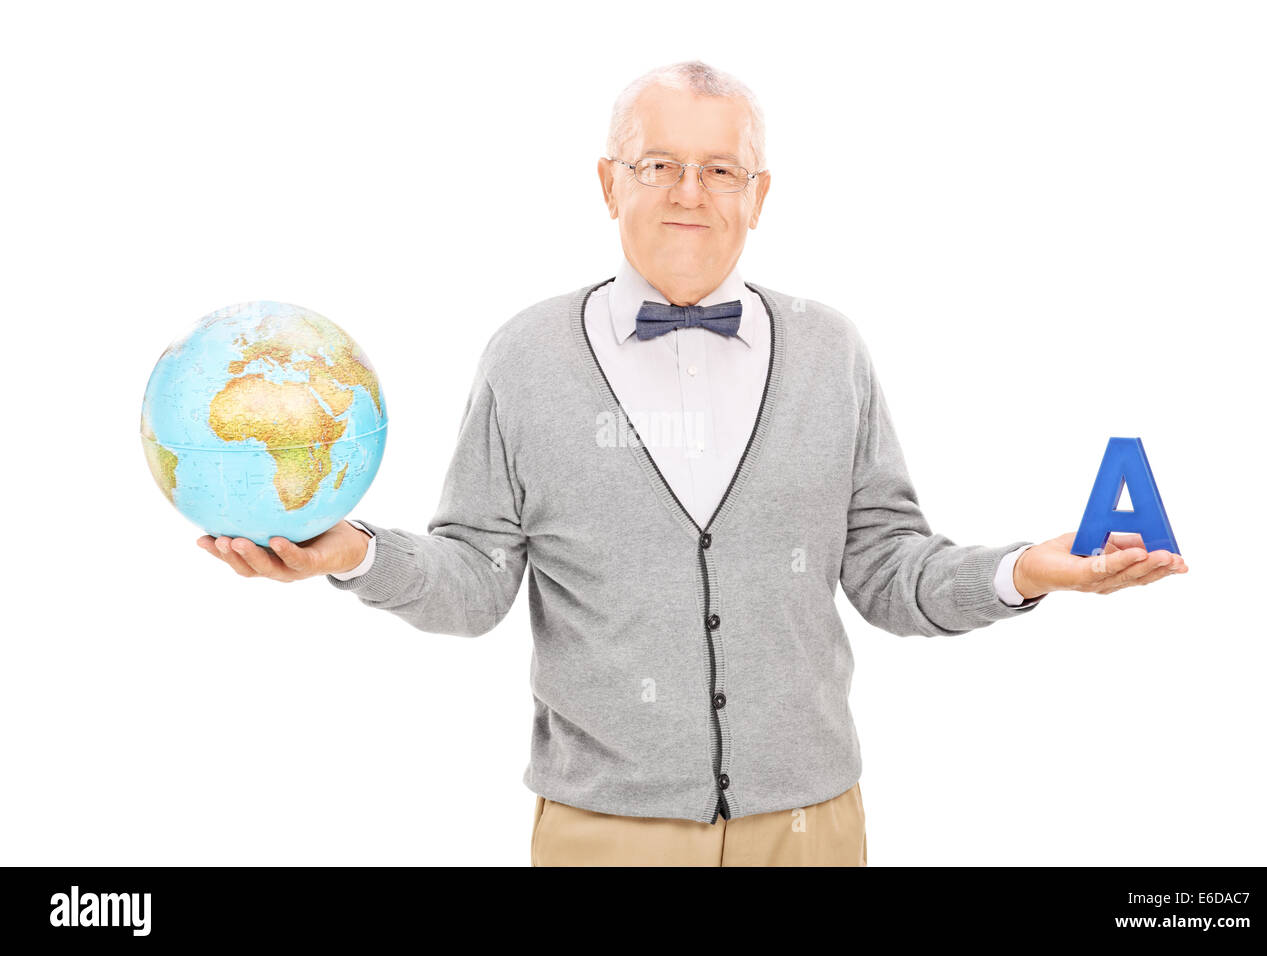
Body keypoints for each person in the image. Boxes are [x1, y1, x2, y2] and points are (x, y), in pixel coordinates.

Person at [198, 60, 1188, 867]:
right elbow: (474, 579)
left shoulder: (831, 351)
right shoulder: (524, 356)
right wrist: (356, 554)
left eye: (720, 169)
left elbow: (890, 568)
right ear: (605, 181)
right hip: (604, 834)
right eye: (657, 163)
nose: (688, 193)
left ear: (758, 195)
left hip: (811, 829)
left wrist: (1026, 569)